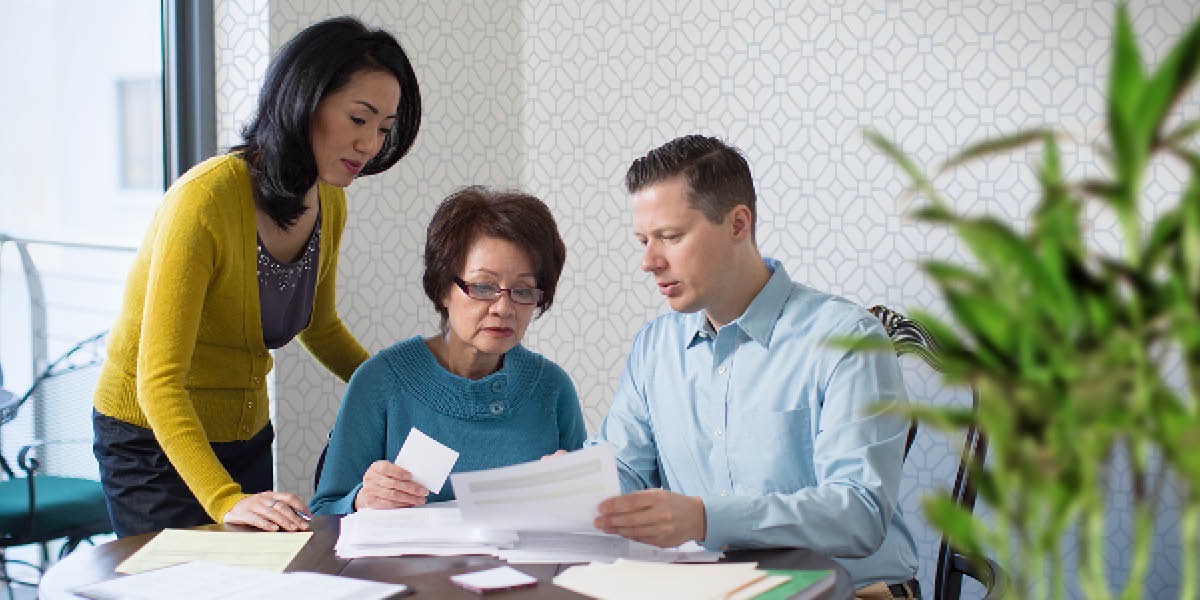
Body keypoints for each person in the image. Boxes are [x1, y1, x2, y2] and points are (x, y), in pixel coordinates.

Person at [91, 16, 422, 537]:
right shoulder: (205, 201)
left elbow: (321, 326)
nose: (370, 144)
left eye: (383, 128)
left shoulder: (328, 201)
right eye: (359, 119)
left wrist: (403, 387)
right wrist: (223, 499)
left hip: (244, 434)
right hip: (151, 440)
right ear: (306, 101)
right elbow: (158, 380)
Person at [590, 135, 921, 599]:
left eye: (670, 236)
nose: (649, 261)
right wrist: (583, 480)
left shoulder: (848, 340)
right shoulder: (654, 347)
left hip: (853, 591)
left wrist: (705, 518)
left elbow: (859, 512)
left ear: (737, 224)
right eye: (643, 240)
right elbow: (624, 466)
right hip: (712, 587)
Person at [310, 186, 585, 514]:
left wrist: (578, 493)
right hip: (407, 565)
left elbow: (585, 513)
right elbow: (324, 511)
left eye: (523, 291)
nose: (503, 307)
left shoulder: (552, 388)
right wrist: (360, 500)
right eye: (483, 287)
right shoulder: (379, 382)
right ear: (442, 288)